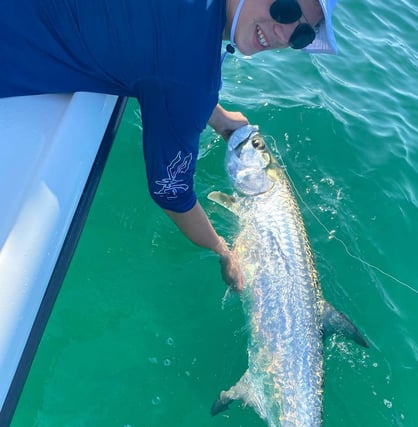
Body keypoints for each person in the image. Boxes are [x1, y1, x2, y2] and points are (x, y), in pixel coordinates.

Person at [1, 0, 338, 291]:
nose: (283, 33)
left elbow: (159, 48)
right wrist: (224, 251)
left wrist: (217, 117)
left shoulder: (191, 64)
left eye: (301, 34)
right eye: (286, 8)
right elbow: (171, 192)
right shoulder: (192, 80)